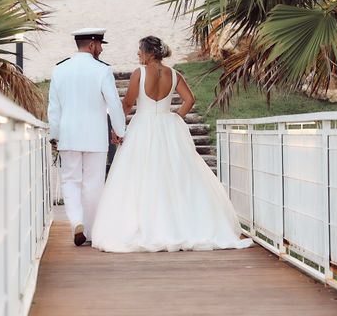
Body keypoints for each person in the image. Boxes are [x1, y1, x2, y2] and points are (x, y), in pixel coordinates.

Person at [91, 36, 253, 252]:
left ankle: (148, 224)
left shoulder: (140, 73)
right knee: (174, 174)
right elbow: (190, 99)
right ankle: (180, 224)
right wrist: (176, 118)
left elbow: (128, 103)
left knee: (141, 175)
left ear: (149, 53)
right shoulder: (174, 74)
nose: (138, 54)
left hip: (143, 127)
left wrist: (117, 129)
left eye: (140, 50)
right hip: (168, 127)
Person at [48, 28, 125, 246]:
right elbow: (113, 103)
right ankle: (90, 232)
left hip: (68, 136)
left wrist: (54, 135)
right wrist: (120, 130)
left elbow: (54, 108)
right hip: (95, 137)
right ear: (91, 45)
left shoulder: (59, 70)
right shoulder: (102, 70)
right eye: (100, 45)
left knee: (70, 180)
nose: (101, 49)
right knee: (93, 184)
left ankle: (76, 223)